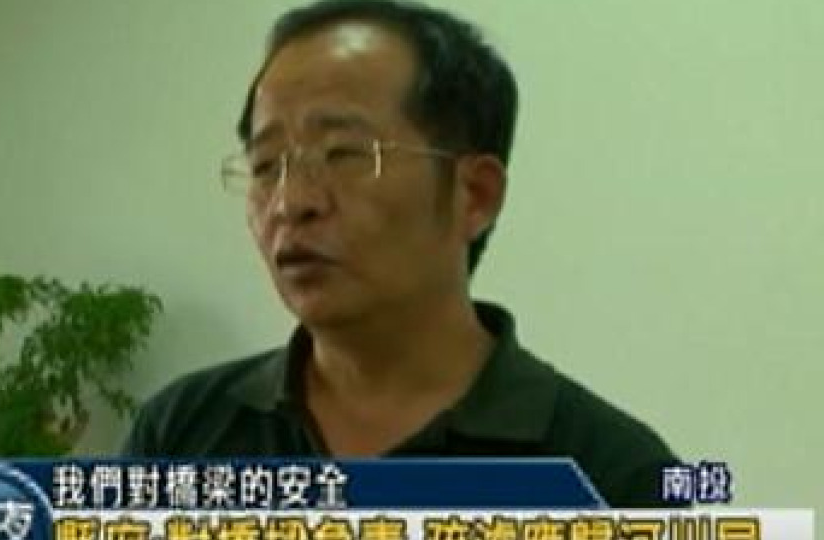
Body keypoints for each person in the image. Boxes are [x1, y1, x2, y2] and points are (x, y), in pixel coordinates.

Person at [123, 0, 683, 507]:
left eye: (343, 153)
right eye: (267, 165)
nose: (290, 203)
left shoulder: (616, 478)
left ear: (475, 195)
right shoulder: (180, 433)